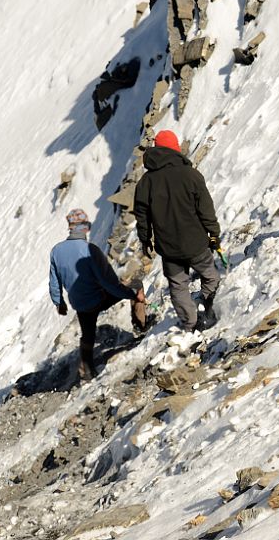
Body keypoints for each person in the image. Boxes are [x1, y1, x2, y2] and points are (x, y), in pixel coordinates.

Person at [133, 130, 223, 332]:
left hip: (169, 248)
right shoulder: (191, 175)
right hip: (196, 243)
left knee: (178, 286)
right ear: (175, 148)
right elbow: (205, 209)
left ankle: (189, 323)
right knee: (210, 276)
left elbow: (142, 216)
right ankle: (206, 305)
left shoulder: (145, 183)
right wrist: (214, 233)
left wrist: (145, 239)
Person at [49, 208, 147, 381]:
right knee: (136, 284)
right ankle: (141, 327)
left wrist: (59, 302)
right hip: (97, 299)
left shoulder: (56, 251)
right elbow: (108, 282)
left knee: (88, 333)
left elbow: (54, 281)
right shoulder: (90, 250)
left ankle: (86, 369)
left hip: (78, 302)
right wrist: (131, 294)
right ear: (85, 228)